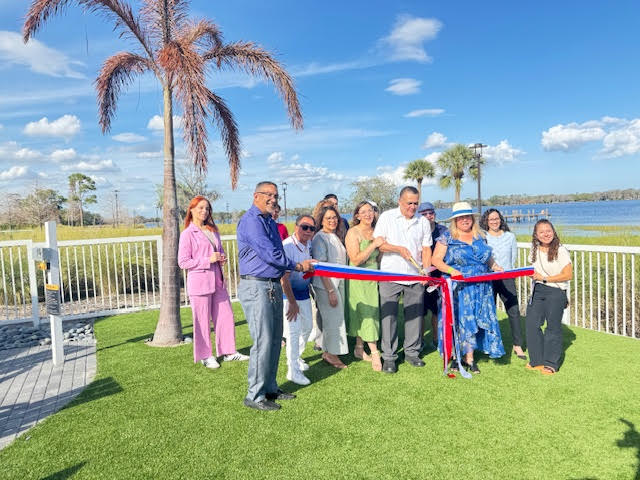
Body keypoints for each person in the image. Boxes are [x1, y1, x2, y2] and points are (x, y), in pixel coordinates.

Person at [237, 182, 314, 411]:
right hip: (256, 286)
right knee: (263, 341)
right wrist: (298, 266)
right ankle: (255, 395)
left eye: (276, 195)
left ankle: (270, 388)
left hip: (271, 285)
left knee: (274, 340)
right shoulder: (251, 221)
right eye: (268, 195)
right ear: (256, 196)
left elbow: (277, 253)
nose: (273, 199)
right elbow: (271, 254)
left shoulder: (269, 221)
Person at [432, 202, 505, 374]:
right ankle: (457, 356)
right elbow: (436, 260)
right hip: (458, 287)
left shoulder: (480, 236)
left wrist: (495, 266)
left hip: (481, 287)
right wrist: (452, 271)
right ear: (455, 220)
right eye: (461, 218)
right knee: (459, 321)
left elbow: (487, 258)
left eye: (467, 217)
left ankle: (469, 357)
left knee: (475, 320)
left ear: (472, 218)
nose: (465, 220)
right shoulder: (447, 237)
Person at [178, 196, 249, 368]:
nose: (204, 211)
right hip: (199, 284)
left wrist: (221, 258)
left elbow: (219, 251)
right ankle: (205, 355)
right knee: (202, 321)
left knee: (226, 316)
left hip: (218, 281)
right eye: (201, 208)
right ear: (191, 210)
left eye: (207, 208)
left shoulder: (213, 230)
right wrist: (207, 260)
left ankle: (229, 352)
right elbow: (183, 262)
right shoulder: (187, 234)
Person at [373, 186, 432, 374]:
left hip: (415, 275)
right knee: (388, 317)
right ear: (400, 201)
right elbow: (380, 244)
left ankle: (412, 353)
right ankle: (389, 357)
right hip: (390, 274)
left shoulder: (423, 221)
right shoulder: (387, 217)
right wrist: (398, 249)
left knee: (415, 316)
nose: (413, 207)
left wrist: (426, 271)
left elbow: (427, 248)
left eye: (415, 203)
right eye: (409, 203)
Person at [526, 220, 572, 376]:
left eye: (548, 231)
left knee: (553, 327)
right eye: (541, 232)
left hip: (555, 291)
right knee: (532, 324)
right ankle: (536, 360)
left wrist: (545, 278)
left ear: (553, 232)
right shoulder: (534, 250)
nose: (546, 234)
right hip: (538, 291)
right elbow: (533, 271)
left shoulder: (561, 250)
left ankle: (551, 363)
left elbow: (568, 275)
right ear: (536, 235)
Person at [480, 208, 526, 360]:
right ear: (486, 221)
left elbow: (513, 257)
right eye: (491, 219)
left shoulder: (510, 236)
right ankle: (490, 344)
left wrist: (510, 274)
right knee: (489, 312)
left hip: (507, 277)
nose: (494, 221)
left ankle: (517, 345)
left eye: (496, 218)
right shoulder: (483, 237)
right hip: (489, 278)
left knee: (513, 311)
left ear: (501, 220)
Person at [345, 201, 385, 372]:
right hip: (358, 277)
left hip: (374, 276)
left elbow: (379, 257)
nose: (368, 214)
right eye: (364, 212)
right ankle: (375, 353)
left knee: (367, 311)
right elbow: (355, 260)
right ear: (357, 215)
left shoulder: (377, 231)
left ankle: (359, 348)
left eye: (371, 211)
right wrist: (373, 244)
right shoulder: (353, 232)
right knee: (368, 312)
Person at [311, 205, 349, 369]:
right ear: (321, 220)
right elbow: (320, 267)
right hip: (326, 285)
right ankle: (331, 354)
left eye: (334, 218)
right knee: (333, 319)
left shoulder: (334, 236)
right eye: (328, 218)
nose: (332, 221)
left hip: (338, 282)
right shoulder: (320, 238)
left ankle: (330, 351)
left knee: (336, 318)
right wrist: (330, 290)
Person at [281, 215, 317, 386]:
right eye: (304, 227)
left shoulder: (308, 244)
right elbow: (283, 278)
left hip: (303, 293)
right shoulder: (287, 246)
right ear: (296, 228)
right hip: (288, 296)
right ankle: (293, 371)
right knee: (293, 333)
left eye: (312, 228)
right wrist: (291, 302)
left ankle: (296, 357)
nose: (308, 231)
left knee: (308, 327)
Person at [417, 201, 448, 350]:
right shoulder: (416, 230)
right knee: (420, 311)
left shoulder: (443, 231)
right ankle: (420, 340)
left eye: (431, 213)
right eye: (424, 214)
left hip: (438, 276)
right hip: (420, 275)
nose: (428, 216)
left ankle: (436, 339)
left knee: (437, 309)